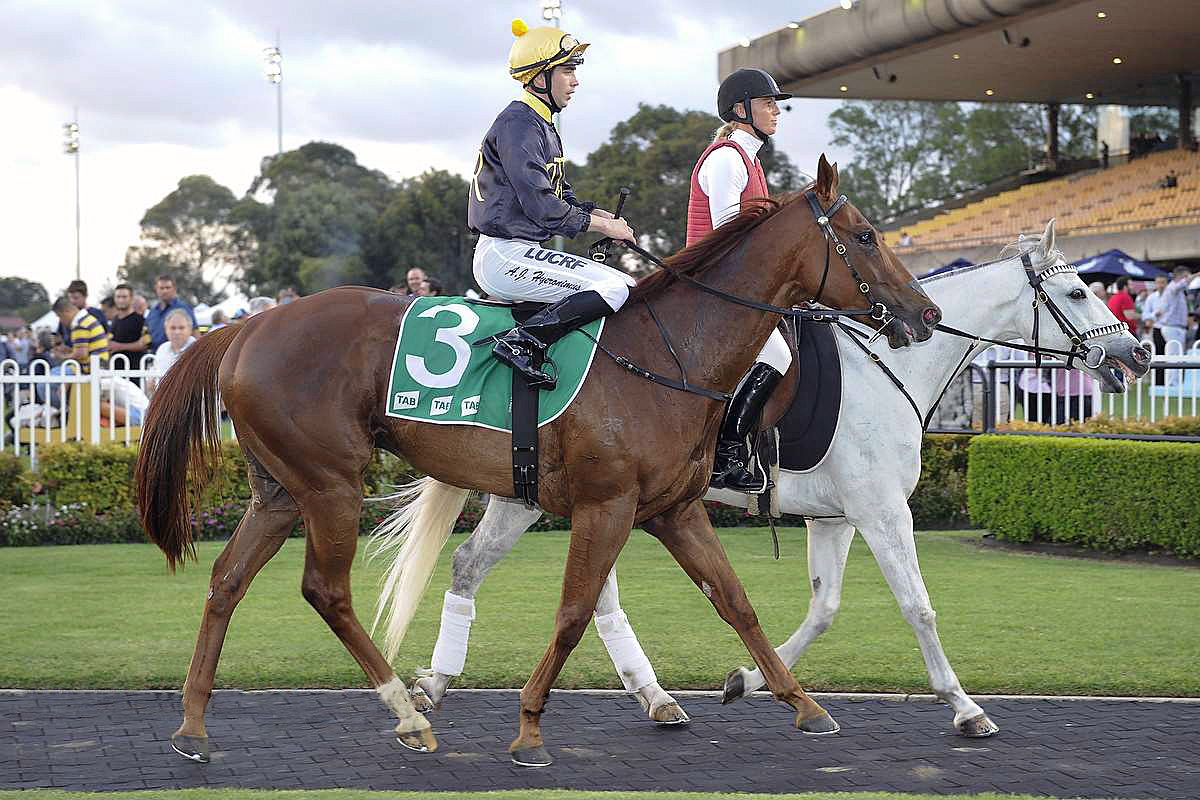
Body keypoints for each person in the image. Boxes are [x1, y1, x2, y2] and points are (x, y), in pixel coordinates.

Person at [468, 18, 635, 388]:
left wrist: (600, 215)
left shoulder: (541, 124)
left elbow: (562, 197)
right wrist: (604, 226)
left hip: (521, 251)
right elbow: (543, 207)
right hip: (503, 255)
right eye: (567, 70)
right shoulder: (520, 124)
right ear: (540, 77)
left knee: (627, 283)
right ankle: (522, 342)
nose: (575, 81)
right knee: (613, 289)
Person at [686, 67, 793, 491]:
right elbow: (728, 234)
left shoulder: (749, 159)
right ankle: (725, 456)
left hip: (731, 286)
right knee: (778, 356)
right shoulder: (727, 158)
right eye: (768, 103)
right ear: (741, 110)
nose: (776, 111)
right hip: (712, 286)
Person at [39, 295, 109, 406]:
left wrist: (60, 356)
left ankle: (64, 409)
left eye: (60, 316)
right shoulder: (87, 320)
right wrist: (67, 350)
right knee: (54, 374)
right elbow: (83, 349)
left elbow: (81, 354)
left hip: (89, 369)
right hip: (95, 367)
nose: (60, 321)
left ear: (66, 311)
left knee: (43, 384)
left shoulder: (80, 325)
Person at [1154, 266, 1192, 386]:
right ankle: (1172, 383)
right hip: (1172, 327)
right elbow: (1182, 283)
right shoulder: (1172, 287)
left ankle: (1176, 382)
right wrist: (1195, 275)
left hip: (1177, 327)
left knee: (1177, 356)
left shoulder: (1179, 292)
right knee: (1173, 356)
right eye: (1186, 276)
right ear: (1180, 277)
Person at [148, 309, 196, 395]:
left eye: (181, 328)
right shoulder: (162, 349)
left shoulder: (196, 349)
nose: (177, 332)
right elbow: (152, 380)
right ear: (166, 329)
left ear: (190, 329)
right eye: (172, 328)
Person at [144, 274, 196, 351]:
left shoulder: (184, 309)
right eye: (161, 288)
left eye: (168, 288)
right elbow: (145, 332)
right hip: (155, 355)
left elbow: (195, 333)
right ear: (156, 289)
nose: (164, 291)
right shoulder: (152, 312)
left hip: (178, 354)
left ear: (174, 289)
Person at [107, 283, 148, 370]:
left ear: (131, 298)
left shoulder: (140, 320)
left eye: (124, 297)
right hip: (116, 370)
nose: (121, 300)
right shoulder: (115, 320)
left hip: (134, 371)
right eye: (118, 297)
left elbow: (144, 344)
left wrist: (119, 346)